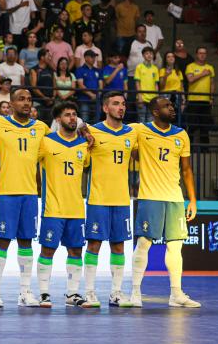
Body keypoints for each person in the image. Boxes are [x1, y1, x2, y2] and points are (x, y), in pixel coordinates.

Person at [124, 96, 201, 308]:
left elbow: (186, 170)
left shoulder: (181, 134)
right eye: (166, 106)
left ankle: (176, 294)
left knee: (176, 246)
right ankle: (135, 292)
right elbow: (119, 136)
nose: (172, 108)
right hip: (150, 197)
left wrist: (192, 200)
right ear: (155, 112)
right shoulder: (140, 130)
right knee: (143, 243)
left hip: (175, 198)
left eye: (171, 105)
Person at [0, 89, 50, 307]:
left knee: (26, 241)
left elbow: (58, 145)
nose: (26, 103)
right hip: (6, 193)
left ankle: (25, 292)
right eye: (21, 99)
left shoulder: (41, 128)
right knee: (2, 241)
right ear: (10, 104)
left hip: (30, 194)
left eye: (29, 99)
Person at [35, 101, 90, 308]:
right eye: (67, 115)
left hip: (76, 208)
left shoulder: (84, 145)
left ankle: (72, 293)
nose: (72, 118)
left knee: (76, 251)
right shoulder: (46, 142)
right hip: (53, 207)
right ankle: (43, 293)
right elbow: (26, 162)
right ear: (58, 119)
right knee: (48, 250)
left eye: (74, 114)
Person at [82, 92, 133, 307]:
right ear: (105, 108)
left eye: (123, 104)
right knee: (94, 244)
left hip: (122, 199)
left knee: (118, 246)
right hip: (98, 198)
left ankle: (116, 293)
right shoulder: (92, 131)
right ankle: (89, 292)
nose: (121, 107)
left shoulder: (132, 132)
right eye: (115, 104)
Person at [184, 47, 215, 144]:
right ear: (196, 54)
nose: (202, 55)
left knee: (205, 127)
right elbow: (190, 80)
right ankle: (189, 148)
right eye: (200, 53)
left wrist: (211, 97)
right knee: (192, 125)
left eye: (204, 53)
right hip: (193, 100)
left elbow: (212, 83)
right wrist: (203, 74)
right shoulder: (190, 66)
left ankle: (205, 149)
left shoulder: (210, 67)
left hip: (205, 101)